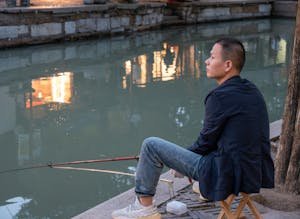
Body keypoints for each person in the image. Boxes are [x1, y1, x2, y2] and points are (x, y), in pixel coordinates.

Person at [112, 38, 275, 219]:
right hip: (255, 172)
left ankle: (144, 208)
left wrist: (178, 165)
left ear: (227, 65)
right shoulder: (252, 90)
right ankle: (202, 187)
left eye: (212, 57)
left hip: (228, 174)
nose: (207, 61)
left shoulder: (219, 96)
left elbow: (205, 142)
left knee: (151, 145)